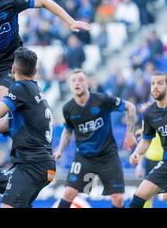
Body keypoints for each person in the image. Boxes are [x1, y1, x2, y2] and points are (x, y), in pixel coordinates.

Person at [0, 47, 56, 208]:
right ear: (34, 71)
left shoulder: (20, 88)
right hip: (39, 164)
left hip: (32, 165)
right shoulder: (34, 90)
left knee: (7, 206)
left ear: (13, 69)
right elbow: (6, 123)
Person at [54, 69, 137, 208]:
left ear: (87, 83)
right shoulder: (68, 108)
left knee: (118, 199)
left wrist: (129, 134)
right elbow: (67, 131)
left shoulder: (102, 100)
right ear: (69, 85)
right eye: (73, 80)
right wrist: (60, 150)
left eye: (80, 80)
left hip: (108, 156)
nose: (77, 83)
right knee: (68, 192)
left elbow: (131, 107)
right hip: (84, 157)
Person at [129, 72, 167, 208]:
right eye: (153, 83)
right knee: (138, 196)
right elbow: (146, 140)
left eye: (160, 83)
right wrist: (137, 153)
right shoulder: (150, 113)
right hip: (165, 163)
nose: (155, 87)